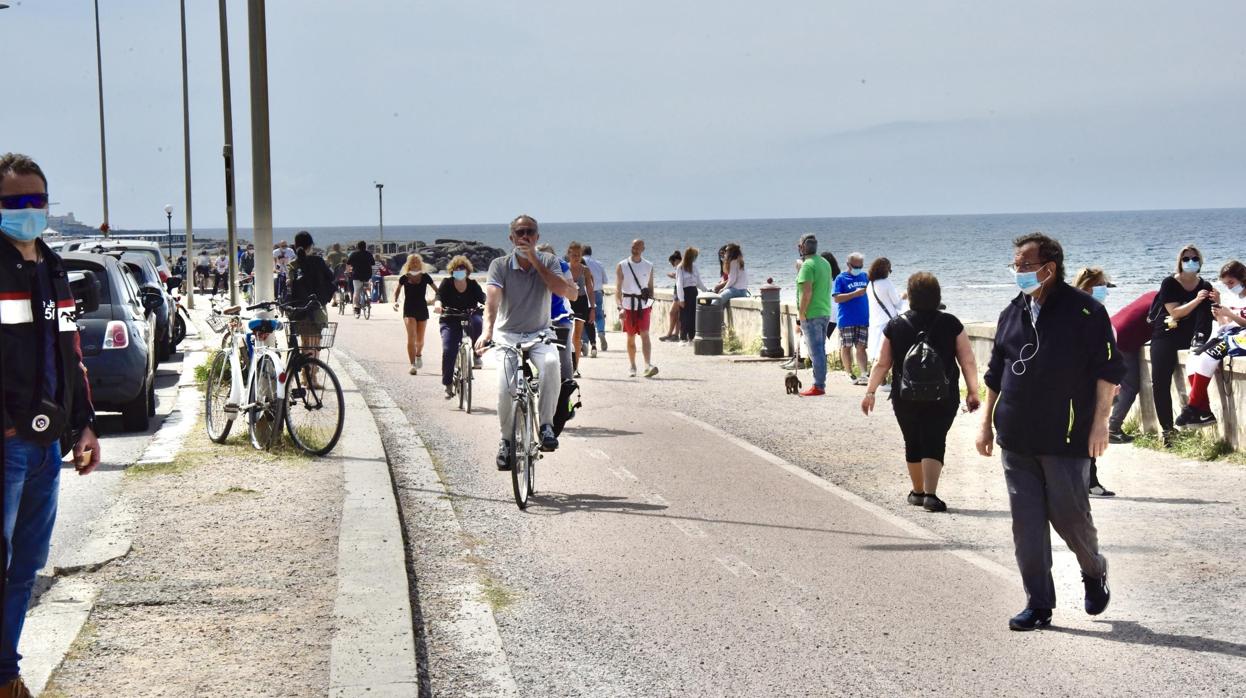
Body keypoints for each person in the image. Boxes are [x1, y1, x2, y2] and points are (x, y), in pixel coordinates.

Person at [976, 232, 1122, 632]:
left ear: (1048, 268)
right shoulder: (1012, 314)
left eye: (1023, 264)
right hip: (1016, 437)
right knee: (1026, 526)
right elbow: (996, 374)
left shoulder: (1087, 313)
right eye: (1016, 264)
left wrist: (1099, 425)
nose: (1017, 271)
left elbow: (1109, 372)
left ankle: (1094, 570)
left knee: (1070, 518)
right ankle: (1038, 604)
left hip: (1066, 438)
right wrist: (985, 423)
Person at [0, 153, 101, 696]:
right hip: (9, 444)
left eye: (35, 200)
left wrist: (84, 426)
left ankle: (6, 675)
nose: (27, 210)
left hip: (48, 447)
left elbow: (71, 352)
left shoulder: (55, 267)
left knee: (27, 568)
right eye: (14, 202)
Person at [862, 272, 980, 512]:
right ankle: (931, 495)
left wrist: (870, 391)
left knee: (912, 439)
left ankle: (917, 491)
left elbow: (882, 363)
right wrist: (973, 391)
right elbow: (967, 360)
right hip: (943, 394)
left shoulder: (895, 325)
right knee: (935, 438)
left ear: (911, 296)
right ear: (937, 295)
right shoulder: (951, 323)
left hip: (905, 395)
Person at [477, 215, 578, 469]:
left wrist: (535, 260)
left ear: (537, 236)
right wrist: (487, 331)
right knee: (505, 388)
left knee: (552, 364)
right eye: (520, 232)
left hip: (539, 333)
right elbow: (492, 300)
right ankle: (506, 442)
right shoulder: (499, 265)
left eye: (530, 232)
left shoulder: (549, 261)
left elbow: (562, 290)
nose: (525, 236)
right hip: (508, 335)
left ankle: (546, 426)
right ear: (511, 238)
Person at [1149, 244, 1216, 441]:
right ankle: (1168, 430)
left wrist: (1216, 300)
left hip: (1193, 337)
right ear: (1179, 262)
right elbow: (1175, 313)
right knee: (1160, 382)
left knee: (1199, 367)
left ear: (1200, 261)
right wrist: (1197, 300)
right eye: (1186, 259)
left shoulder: (1205, 285)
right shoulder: (1169, 283)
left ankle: (1199, 411)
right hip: (1167, 334)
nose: (1190, 262)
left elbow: (1210, 315)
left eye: (1194, 258)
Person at [1180, 260, 1246, 429]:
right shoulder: (1234, 297)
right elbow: (1225, 325)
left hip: (1242, 338)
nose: (1230, 287)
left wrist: (1229, 313)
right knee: (1193, 359)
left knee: (1207, 358)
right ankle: (1203, 411)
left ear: (1242, 277)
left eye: (1231, 282)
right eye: (1226, 284)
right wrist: (1219, 314)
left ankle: (1192, 406)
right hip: (1231, 335)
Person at [1071, 267, 1118, 497]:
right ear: (1088, 286)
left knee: (1086, 430)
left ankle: (1087, 480)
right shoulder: (1085, 313)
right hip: (1085, 382)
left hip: (1093, 380)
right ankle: (1089, 482)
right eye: (1102, 285)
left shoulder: (1091, 311)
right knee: (1086, 431)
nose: (1105, 290)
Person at [435, 255, 485, 398]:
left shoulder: (473, 284)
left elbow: (482, 296)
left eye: (462, 268)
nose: (460, 271)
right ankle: (448, 383)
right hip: (450, 319)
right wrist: (438, 305)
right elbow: (439, 296)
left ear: (467, 271)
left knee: (478, 322)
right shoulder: (447, 283)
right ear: (452, 271)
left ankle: (476, 354)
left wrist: (489, 303)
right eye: (457, 269)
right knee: (449, 349)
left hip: (469, 316)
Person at [286, 231, 335, 372]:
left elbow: (289, 284)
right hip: (317, 307)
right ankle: (312, 376)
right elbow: (331, 277)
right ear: (311, 246)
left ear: (295, 246)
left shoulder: (293, 264)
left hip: (300, 310)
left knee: (305, 343)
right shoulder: (318, 261)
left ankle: (305, 376)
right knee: (315, 343)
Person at [794, 234, 833, 396]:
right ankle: (820, 383)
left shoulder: (807, 266)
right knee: (820, 349)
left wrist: (802, 313)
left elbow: (806, 292)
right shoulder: (824, 263)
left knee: (815, 351)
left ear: (802, 247)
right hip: (824, 310)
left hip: (812, 313)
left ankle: (819, 385)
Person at [616, 239, 659, 378]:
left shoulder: (649, 266)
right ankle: (633, 366)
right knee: (630, 337)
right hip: (628, 306)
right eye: (633, 246)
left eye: (637, 247)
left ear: (643, 249)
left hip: (643, 306)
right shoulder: (622, 265)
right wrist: (620, 307)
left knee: (645, 335)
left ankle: (647, 365)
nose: (634, 249)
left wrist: (650, 305)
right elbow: (617, 290)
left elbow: (651, 288)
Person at [538, 244, 577, 382]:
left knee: (564, 356)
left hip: (560, 316)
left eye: (550, 258)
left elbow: (574, 295)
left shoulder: (562, 266)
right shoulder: (530, 267)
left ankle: (565, 395)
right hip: (536, 318)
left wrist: (557, 281)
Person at [393, 254, 437, 375]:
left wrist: (434, 301)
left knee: (420, 340)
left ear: (421, 263)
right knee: (411, 337)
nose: (415, 263)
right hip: (409, 309)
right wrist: (395, 302)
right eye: (412, 261)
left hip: (422, 308)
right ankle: (412, 365)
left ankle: (418, 355)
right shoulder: (404, 278)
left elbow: (437, 291)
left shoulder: (425, 277)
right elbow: (397, 290)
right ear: (408, 264)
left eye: (417, 261)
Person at [833, 252, 871, 385]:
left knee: (861, 347)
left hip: (863, 318)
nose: (858, 268)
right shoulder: (841, 278)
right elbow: (836, 298)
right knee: (847, 346)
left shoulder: (865, 276)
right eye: (856, 266)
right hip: (846, 319)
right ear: (848, 264)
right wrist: (854, 294)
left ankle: (864, 373)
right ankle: (849, 373)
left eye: (861, 266)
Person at [866, 257, 906, 370]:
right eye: (889, 270)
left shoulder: (870, 285)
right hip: (888, 322)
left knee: (878, 353)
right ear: (885, 270)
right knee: (891, 352)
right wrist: (903, 296)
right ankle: (887, 382)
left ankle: (880, 380)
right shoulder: (887, 283)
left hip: (875, 322)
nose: (889, 272)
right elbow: (897, 303)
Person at [565, 242, 596, 376]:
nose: (576, 257)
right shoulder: (564, 269)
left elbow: (590, 289)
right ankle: (565, 365)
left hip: (581, 302)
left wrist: (593, 308)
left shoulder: (585, 270)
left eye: (578, 255)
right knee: (565, 335)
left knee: (577, 336)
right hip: (567, 302)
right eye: (573, 255)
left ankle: (575, 367)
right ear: (568, 255)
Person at [675, 247, 708, 345]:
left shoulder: (694, 267)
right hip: (685, 292)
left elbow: (698, 282)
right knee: (685, 316)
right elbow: (679, 284)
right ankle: (683, 338)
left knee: (693, 315)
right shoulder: (680, 267)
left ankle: (692, 337)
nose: (695, 258)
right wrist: (681, 299)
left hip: (693, 292)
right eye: (695, 256)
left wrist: (706, 290)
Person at [582, 245, 608, 354]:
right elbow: (605, 280)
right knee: (599, 315)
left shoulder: (581, 264)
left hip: (585, 293)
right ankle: (601, 332)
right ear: (591, 252)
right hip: (597, 292)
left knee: (585, 319)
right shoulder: (599, 264)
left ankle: (585, 343)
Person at [346, 240, 375, 317]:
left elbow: (348, 264)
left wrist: (348, 271)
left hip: (357, 275)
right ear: (365, 246)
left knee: (356, 291)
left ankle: (356, 308)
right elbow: (373, 263)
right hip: (367, 275)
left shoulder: (354, 254)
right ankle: (368, 297)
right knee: (366, 287)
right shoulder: (368, 254)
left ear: (357, 247)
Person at [660, 250, 683, 341]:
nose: (672, 265)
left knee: (672, 312)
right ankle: (675, 334)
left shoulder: (681, 267)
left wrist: (673, 276)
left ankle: (670, 334)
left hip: (679, 293)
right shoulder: (681, 267)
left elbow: (682, 279)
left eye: (672, 263)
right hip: (677, 292)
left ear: (676, 260)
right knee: (677, 314)